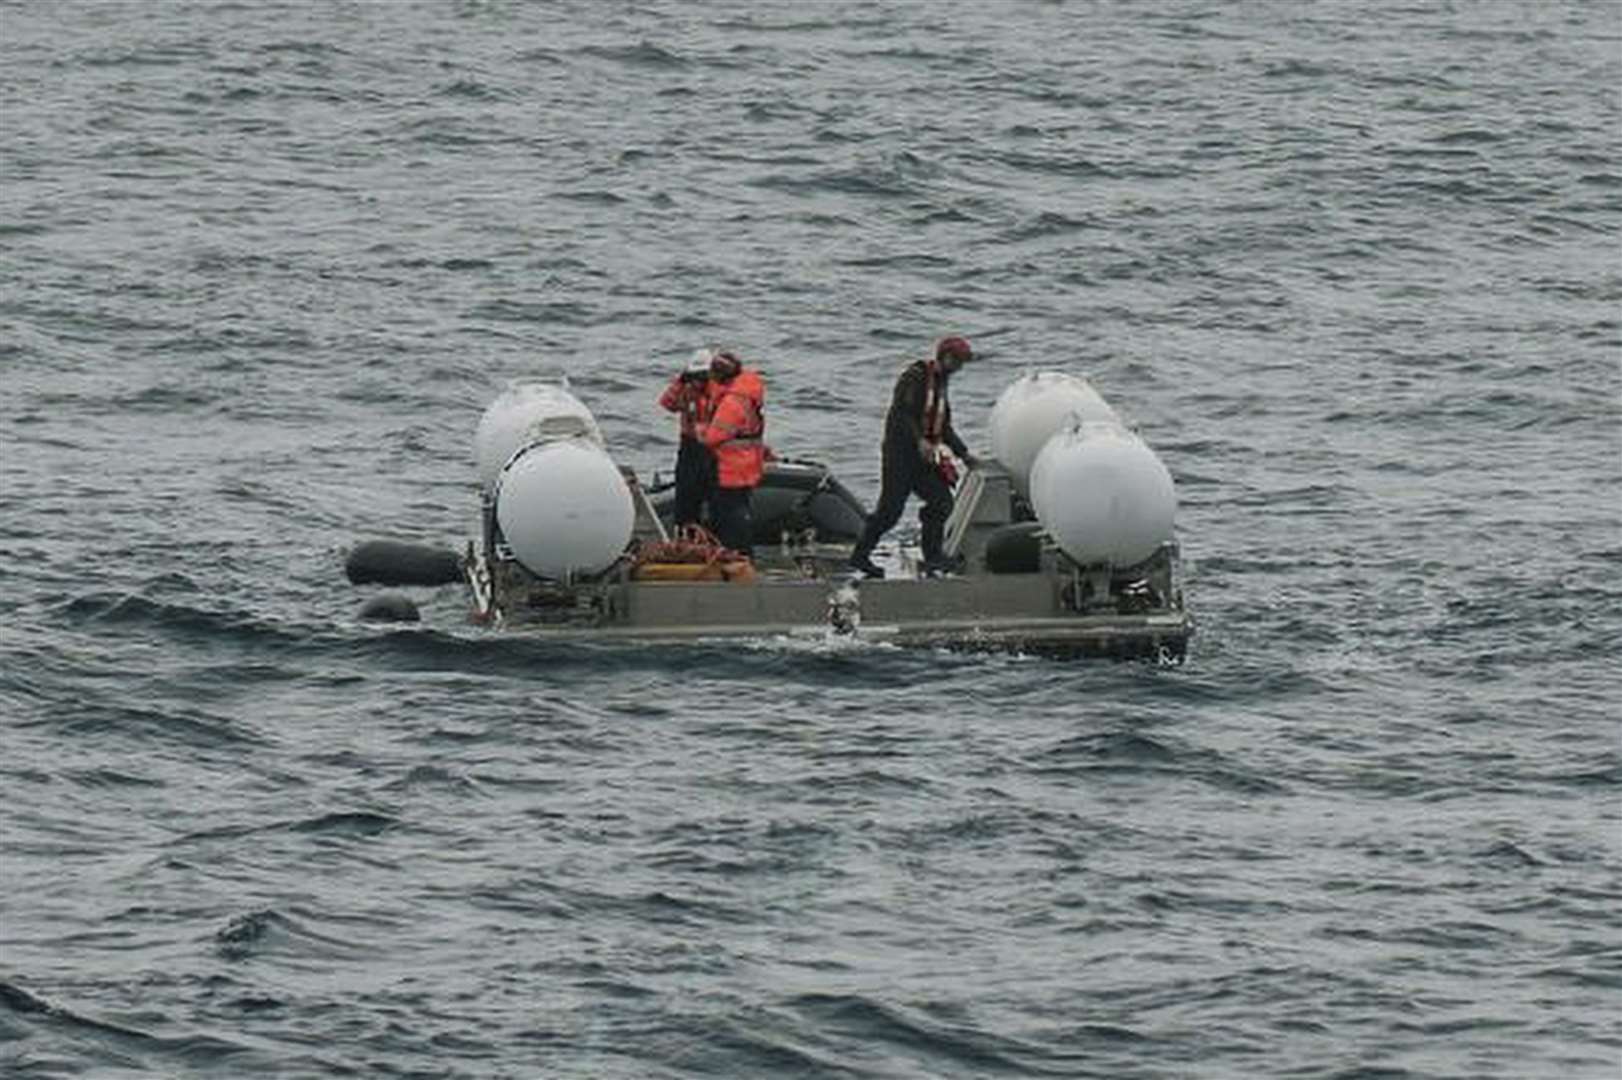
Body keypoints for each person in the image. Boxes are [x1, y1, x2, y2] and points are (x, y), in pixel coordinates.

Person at [848, 335, 978, 579]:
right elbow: (901, 414)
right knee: (890, 511)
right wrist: (918, 440)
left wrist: (964, 454)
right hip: (900, 456)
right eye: (958, 361)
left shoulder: (941, 386)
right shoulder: (915, 377)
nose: (960, 368)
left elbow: (944, 427)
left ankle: (933, 557)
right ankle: (860, 555)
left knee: (942, 502)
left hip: (924, 460)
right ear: (946, 357)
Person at [696, 350, 767, 559]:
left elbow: (713, 437)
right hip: (748, 463)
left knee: (730, 515)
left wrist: (701, 432)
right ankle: (740, 554)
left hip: (730, 466)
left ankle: (737, 556)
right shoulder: (749, 392)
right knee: (739, 511)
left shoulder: (732, 402)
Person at [658, 349, 718, 529]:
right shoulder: (686, 389)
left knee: (715, 498)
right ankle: (686, 536)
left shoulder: (719, 390)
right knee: (686, 497)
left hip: (714, 448)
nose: (699, 380)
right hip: (690, 447)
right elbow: (667, 403)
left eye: (703, 375)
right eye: (695, 375)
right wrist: (680, 381)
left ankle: (712, 535)